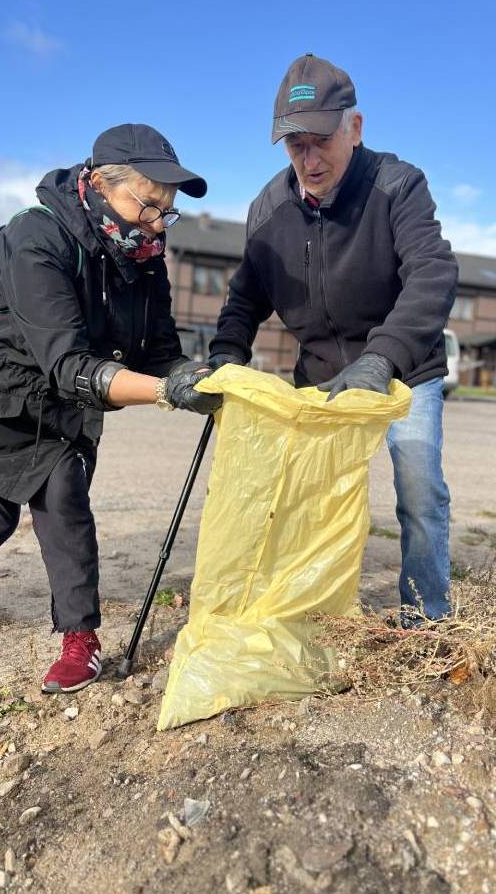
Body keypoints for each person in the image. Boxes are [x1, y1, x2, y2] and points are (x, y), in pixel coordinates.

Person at [0, 123, 220, 693]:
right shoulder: (37, 238)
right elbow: (69, 363)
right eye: (148, 206)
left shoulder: (143, 256)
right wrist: (164, 394)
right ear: (99, 183)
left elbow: (162, 350)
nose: (155, 225)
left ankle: (81, 641)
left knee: (65, 496)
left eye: (165, 214)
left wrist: (193, 377)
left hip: (50, 399)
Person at [207, 54, 459, 623]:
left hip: (403, 369)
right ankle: (313, 611)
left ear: (355, 126)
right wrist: (224, 356)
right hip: (321, 379)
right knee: (310, 501)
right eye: (295, 146)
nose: (309, 160)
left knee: (419, 489)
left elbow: (433, 272)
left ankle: (428, 616)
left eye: (320, 140)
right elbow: (246, 297)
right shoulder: (269, 210)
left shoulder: (397, 185)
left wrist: (382, 357)